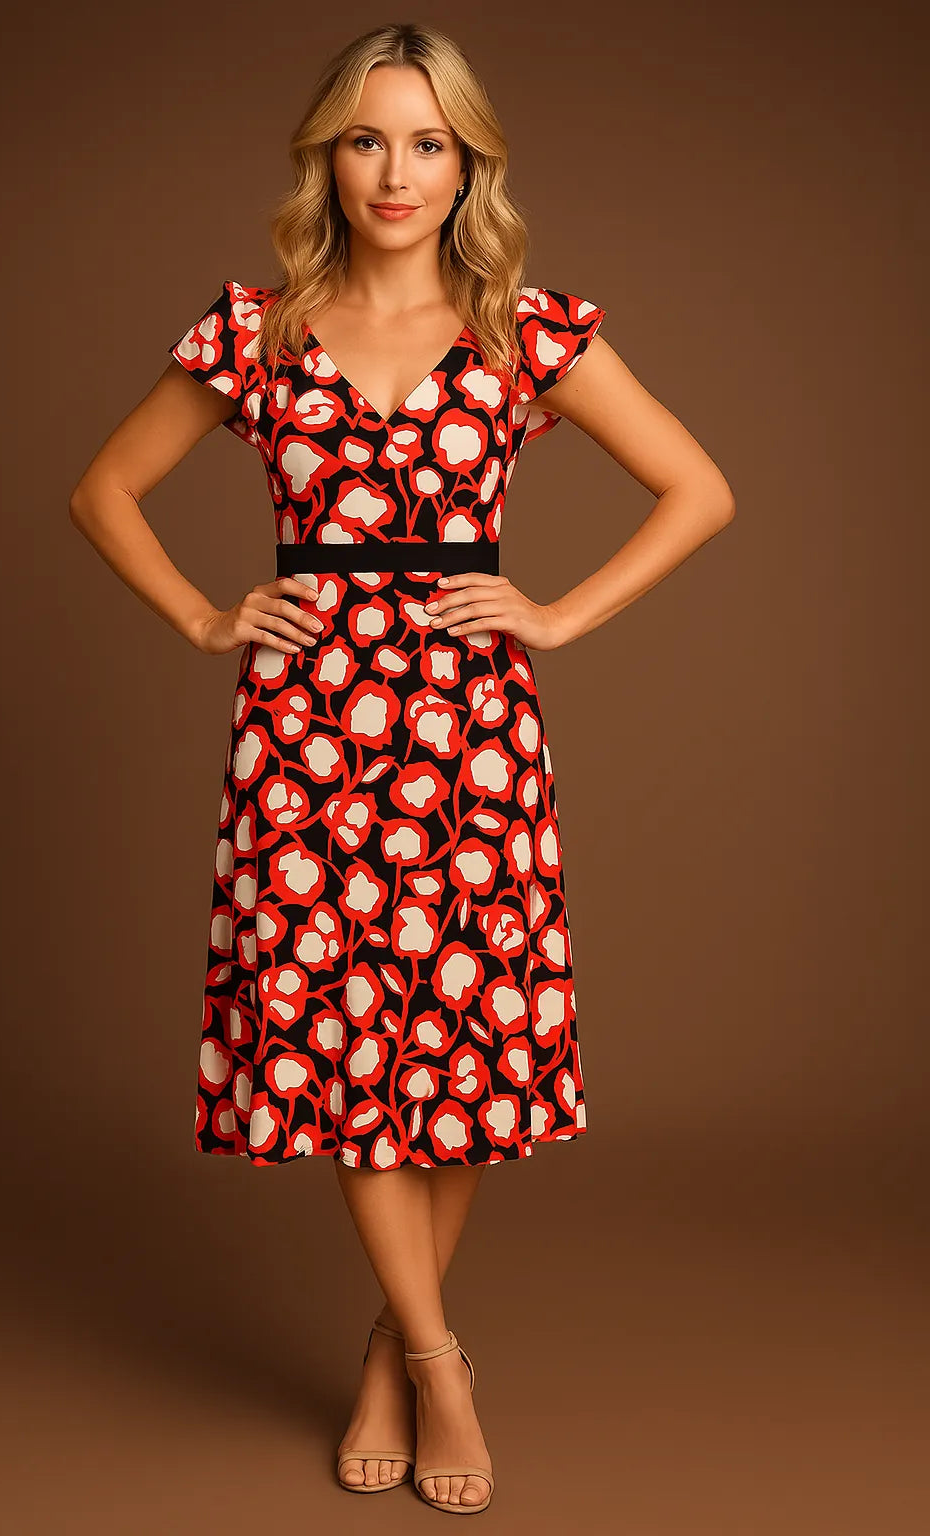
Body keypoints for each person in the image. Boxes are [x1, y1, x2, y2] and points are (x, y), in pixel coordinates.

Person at [69, 20, 735, 1518]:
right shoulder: (257, 330)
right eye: (367, 138)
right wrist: (201, 611)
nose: (395, 170)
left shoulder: (527, 332)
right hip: (305, 736)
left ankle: (388, 1340)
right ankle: (441, 1362)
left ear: (470, 163)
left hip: (470, 734)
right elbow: (102, 489)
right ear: (325, 153)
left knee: (462, 1051)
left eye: (428, 142)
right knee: (358, 1050)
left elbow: (701, 488)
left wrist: (555, 613)